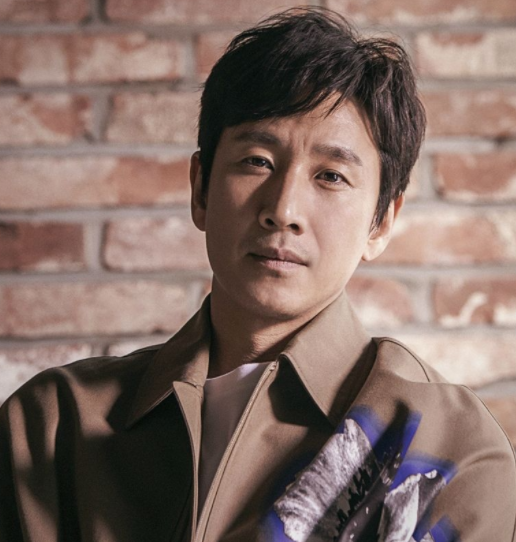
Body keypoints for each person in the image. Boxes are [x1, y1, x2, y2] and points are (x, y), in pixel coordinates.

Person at [1, 7, 515, 542]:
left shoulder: (446, 448)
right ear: (200, 189)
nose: (283, 210)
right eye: (257, 161)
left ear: (381, 221)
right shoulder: (51, 427)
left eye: (331, 176)